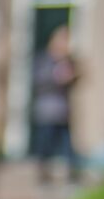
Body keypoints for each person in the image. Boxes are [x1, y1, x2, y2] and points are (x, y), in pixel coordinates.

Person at [30, 25, 82, 189]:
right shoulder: (44, 60)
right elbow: (39, 80)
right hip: (47, 112)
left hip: (63, 113)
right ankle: (43, 179)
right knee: (45, 147)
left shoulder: (68, 62)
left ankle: (70, 179)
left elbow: (77, 80)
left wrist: (72, 75)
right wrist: (56, 77)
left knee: (67, 148)